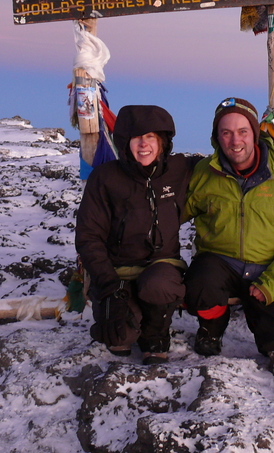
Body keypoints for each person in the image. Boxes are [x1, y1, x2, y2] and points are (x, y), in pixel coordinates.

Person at [184, 97, 274, 357]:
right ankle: (212, 327)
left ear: (255, 133)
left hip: (266, 267)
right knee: (199, 286)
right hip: (218, 264)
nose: (235, 141)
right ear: (216, 137)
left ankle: (258, 315)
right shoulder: (203, 173)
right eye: (226, 133)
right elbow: (174, 213)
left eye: (243, 131)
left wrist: (272, 283)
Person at [75, 105, 196, 365]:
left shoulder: (180, 169)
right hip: (116, 271)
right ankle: (129, 318)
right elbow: (88, 236)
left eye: (151, 136)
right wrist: (107, 285)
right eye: (136, 137)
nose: (144, 144)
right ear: (124, 142)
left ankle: (156, 335)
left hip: (161, 266)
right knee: (119, 338)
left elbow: (224, 165)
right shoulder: (105, 178)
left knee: (159, 285)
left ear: (162, 142)